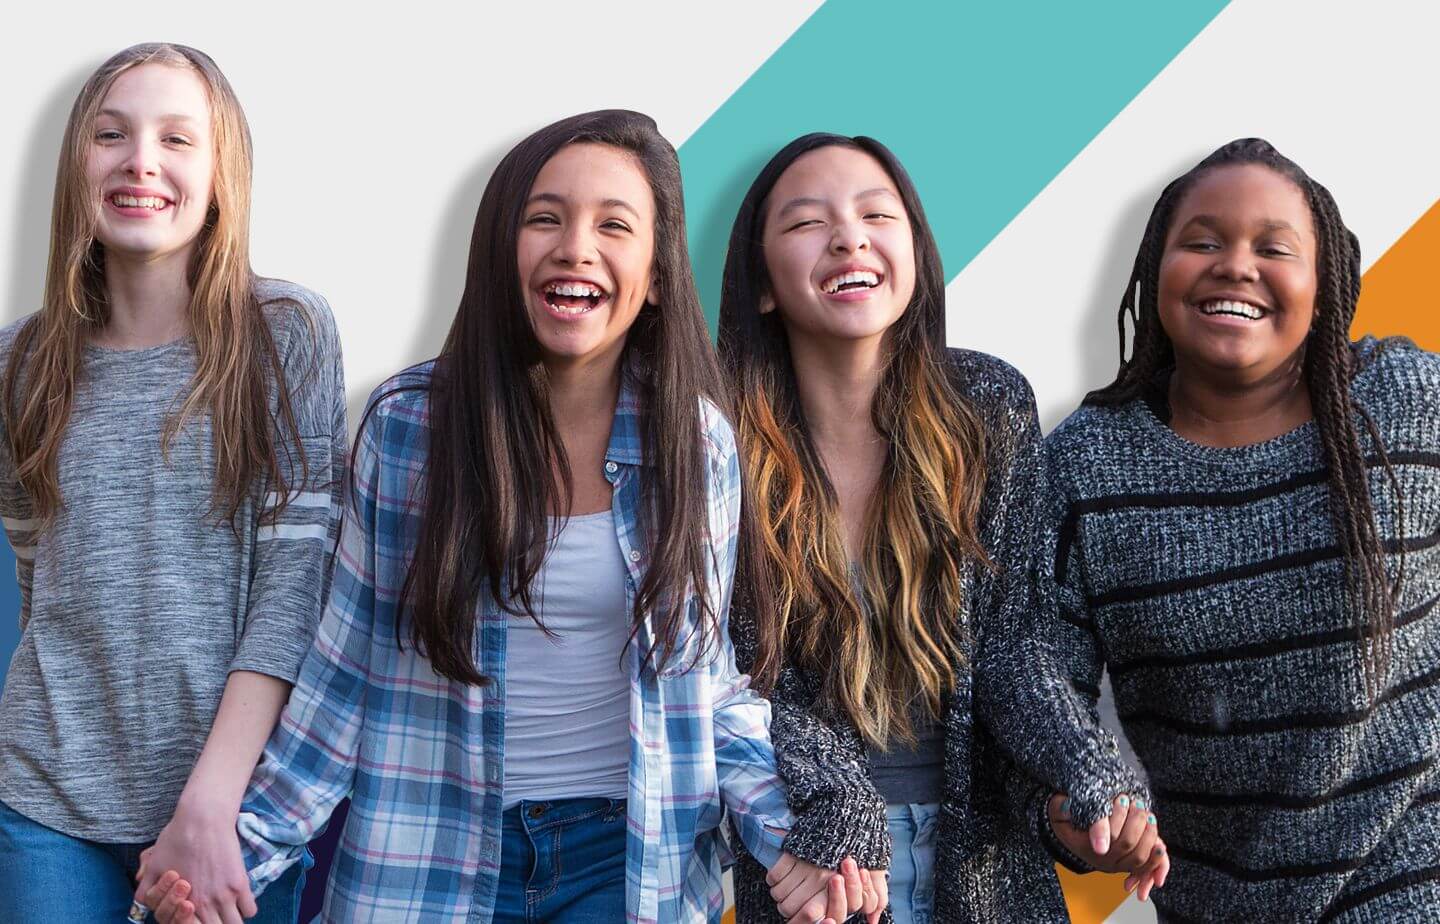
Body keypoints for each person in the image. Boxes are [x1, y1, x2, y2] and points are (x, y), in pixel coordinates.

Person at [143, 110, 881, 924]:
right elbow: (343, 679)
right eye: (545, 218)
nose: (576, 247)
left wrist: (793, 843)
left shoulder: (696, 443)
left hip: (625, 863)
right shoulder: (409, 428)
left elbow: (706, 691)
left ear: (659, 273)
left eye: (614, 225)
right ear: (502, 249)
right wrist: (233, 859)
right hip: (430, 859)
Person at [719, 133, 1165, 923]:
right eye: (805, 223)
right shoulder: (714, 436)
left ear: (915, 254)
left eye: (875, 215)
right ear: (761, 284)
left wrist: (1091, 774)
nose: (849, 236)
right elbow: (727, 676)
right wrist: (835, 792)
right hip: (818, 867)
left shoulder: (987, 409)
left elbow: (1013, 647)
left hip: (986, 867)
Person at [1040, 137, 1440, 919]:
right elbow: (1040, 689)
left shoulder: (1407, 403)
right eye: (1203, 242)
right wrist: (1083, 813)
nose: (1236, 264)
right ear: (1158, 268)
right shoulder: (1084, 465)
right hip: (1216, 901)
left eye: (1275, 247)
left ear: (1325, 287)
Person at [0, 43, 344, 923]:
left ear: (222, 171)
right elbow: (38, 579)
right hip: (48, 802)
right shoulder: (20, 362)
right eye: (111, 134)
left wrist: (210, 804)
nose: (140, 160)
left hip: (232, 805)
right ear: (77, 164)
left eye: (176, 139)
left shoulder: (286, 333)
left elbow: (292, 587)